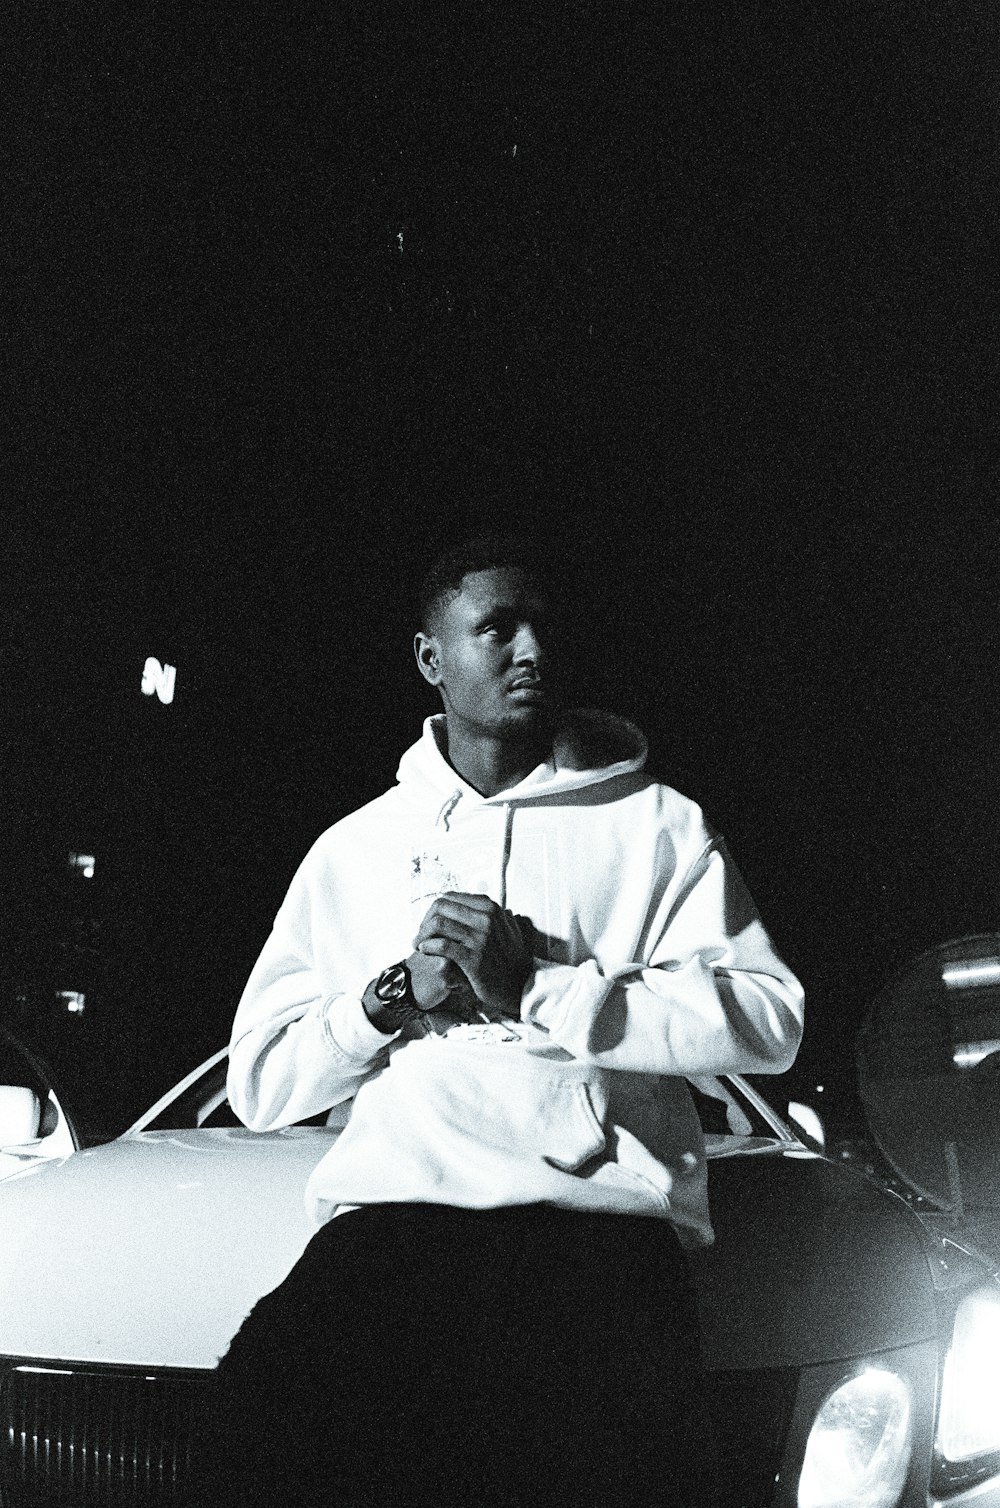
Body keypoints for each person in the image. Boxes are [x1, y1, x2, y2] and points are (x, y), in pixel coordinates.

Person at [190, 535, 803, 1507]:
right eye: (496, 628)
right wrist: (389, 996)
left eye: (542, 629)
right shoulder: (356, 848)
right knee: (236, 1451)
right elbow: (261, 1083)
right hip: (396, 1237)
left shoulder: (655, 824)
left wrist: (540, 989)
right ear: (432, 657)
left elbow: (767, 1020)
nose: (530, 651)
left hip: (594, 1244)